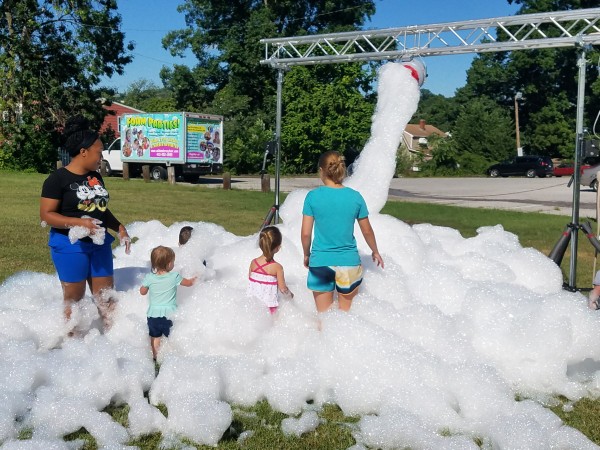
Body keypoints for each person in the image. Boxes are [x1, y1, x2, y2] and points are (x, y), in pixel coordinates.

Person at [40, 115, 131, 331]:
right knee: (75, 300)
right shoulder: (57, 179)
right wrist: (79, 223)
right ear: (84, 152)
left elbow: (99, 209)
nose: (101, 157)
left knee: (106, 299)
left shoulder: (95, 177)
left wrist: (119, 227)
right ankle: (73, 345)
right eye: (99, 152)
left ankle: (113, 341)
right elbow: (47, 215)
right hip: (69, 245)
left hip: (99, 244)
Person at [301, 150, 384, 313]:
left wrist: (306, 254)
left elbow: (305, 233)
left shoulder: (312, 197)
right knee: (346, 318)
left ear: (321, 171)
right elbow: (367, 231)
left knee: (324, 317)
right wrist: (375, 251)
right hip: (349, 263)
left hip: (321, 261)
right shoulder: (355, 197)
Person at [140, 246, 197, 360]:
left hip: (153, 315)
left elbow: (142, 292)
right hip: (169, 314)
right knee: (171, 337)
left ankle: (156, 358)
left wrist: (147, 286)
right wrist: (197, 276)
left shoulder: (149, 278)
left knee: (155, 337)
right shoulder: (174, 276)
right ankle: (171, 358)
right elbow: (189, 283)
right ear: (169, 263)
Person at [247, 226, 293, 314]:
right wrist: (291, 296)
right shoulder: (277, 267)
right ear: (278, 248)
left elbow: (251, 282)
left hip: (251, 305)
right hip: (269, 308)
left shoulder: (253, 263)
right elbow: (283, 289)